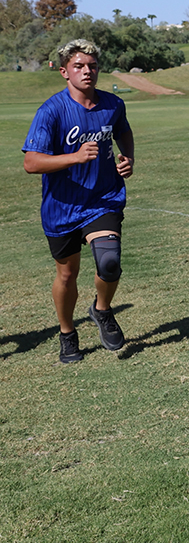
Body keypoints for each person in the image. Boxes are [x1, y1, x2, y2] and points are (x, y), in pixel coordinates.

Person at [23, 38, 134, 363]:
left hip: (103, 199)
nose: (87, 72)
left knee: (109, 262)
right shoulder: (51, 110)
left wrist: (127, 157)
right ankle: (67, 332)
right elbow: (31, 162)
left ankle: (102, 310)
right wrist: (73, 157)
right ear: (64, 71)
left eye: (92, 66)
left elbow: (123, 131)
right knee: (67, 274)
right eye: (79, 67)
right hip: (62, 207)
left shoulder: (113, 104)